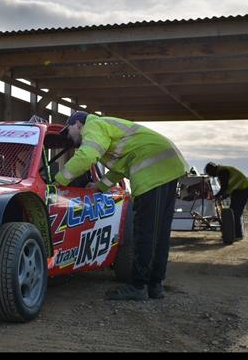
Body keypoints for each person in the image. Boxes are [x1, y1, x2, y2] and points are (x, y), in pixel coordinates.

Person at [54, 111, 188, 301]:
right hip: (167, 165)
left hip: (154, 169)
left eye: (68, 132)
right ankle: (155, 286)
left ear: (77, 124)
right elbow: (121, 167)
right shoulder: (109, 130)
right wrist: (100, 186)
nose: (69, 137)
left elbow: (87, 155)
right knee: (159, 232)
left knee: (145, 232)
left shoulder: (94, 126)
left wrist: (57, 182)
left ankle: (139, 286)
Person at [203, 162, 248, 240]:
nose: (212, 176)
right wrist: (223, 196)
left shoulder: (222, 172)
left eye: (211, 174)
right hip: (239, 190)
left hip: (242, 190)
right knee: (233, 211)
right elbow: (229, 187)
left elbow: (224, 188)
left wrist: (216, 196)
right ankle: (235, 234)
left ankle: (237, 235)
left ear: (213, 170)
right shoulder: (222, 171)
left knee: (235, 213)